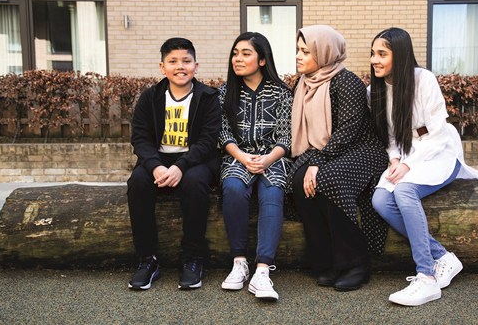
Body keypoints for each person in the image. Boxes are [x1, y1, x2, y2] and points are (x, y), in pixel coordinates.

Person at [368, 27, 478, 306]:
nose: (375, 60)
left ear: (401, 55)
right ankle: (443, 257)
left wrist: (407, 165)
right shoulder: (373, 89)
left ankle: (426, 277)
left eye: (382, 54)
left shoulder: (424, 80)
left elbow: (438, 133)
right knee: (381, 199)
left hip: (440, 151)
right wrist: (396, 159)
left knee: (404, 191)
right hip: (407, 153)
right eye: (373, 54)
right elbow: (391, 137)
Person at [291, 25, 388, 292]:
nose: (298, 56)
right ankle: (326, 261)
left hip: (363, 149)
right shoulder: (304, 83)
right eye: (298, 50)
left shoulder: (347, 82)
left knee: (329, 180)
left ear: (324, 53)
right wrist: (312, 163)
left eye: (305, 51)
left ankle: (356, 264)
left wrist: (318, 163)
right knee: (299, 181)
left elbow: (348, 130)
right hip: (326, 150)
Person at [127, 37, 221, 291]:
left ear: (196, 65)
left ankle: (192, 258)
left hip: (195, 160)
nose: (180, 67)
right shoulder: (150, 97)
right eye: (173, 61)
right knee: (137, 182)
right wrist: (156, 166)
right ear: (162, 67)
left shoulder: (208, 98)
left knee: (194, 182)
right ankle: (147, 259)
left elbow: (208, 140)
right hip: (158, 159)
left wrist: (180, 166)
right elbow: (140, 137)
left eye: (186, 61)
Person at [217, 32, 293, 301]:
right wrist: (242, 157)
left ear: (262, 59)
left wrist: (269, 158)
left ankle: (262, 270)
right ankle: (239, 262)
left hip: (274, 157)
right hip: (238, 157)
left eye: (246, 53)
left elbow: (287, 137)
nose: (238, 58)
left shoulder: (282, 93)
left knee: (272, 194)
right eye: (235, 53)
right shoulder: (226, 92)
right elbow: (223, 133)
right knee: (234, 188)